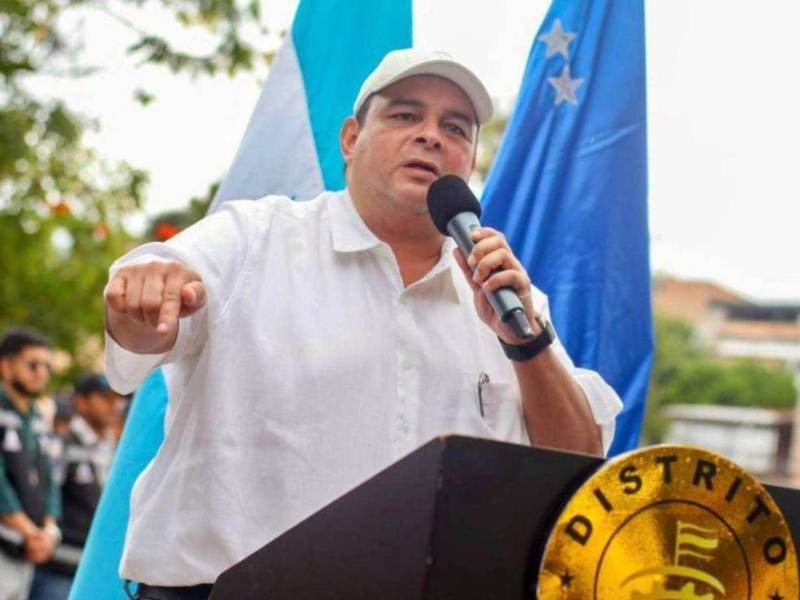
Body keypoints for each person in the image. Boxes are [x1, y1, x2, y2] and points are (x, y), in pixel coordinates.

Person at [103, 48, 622, 598]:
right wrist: (141, 303)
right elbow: (146, 315)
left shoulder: (506, 294)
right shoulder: (256, 239)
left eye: (455, 128)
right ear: (351, 139)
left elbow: (578, 461)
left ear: (470, 163)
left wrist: (526, 344)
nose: (431, 136)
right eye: (405, 115)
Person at [29, 373, 120, 600]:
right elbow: (44, 498)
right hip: (59, 569)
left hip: (96, 569)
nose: (114, 405)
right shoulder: (61, 444)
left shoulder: (112, 447)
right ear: (81, 402)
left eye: (116, 399)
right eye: (104, 398)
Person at [0, 328, 61, 600]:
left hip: (27, 549)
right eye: (33, 365)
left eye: (47, 366)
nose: (41, 373)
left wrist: (48, 529)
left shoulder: (38, 418)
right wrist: (30, 531)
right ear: (6, 366)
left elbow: (50, 478)